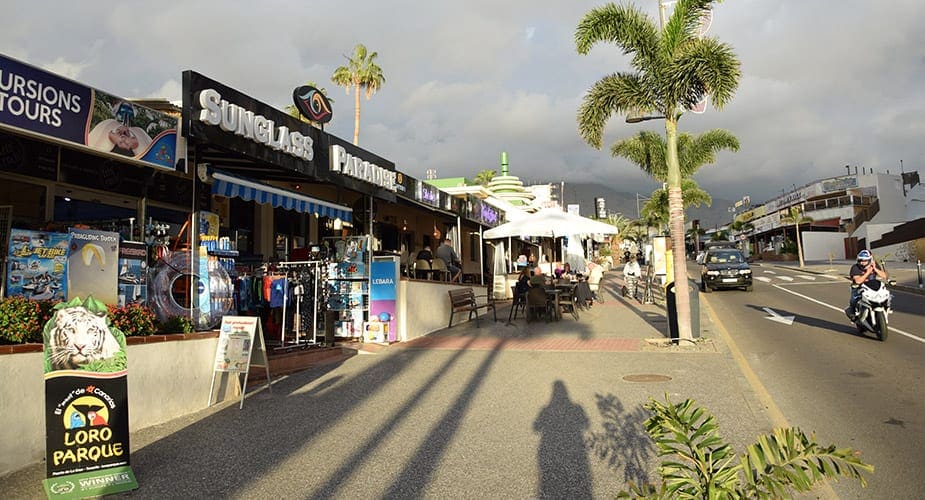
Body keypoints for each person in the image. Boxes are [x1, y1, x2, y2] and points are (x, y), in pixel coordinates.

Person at [846, 249, 887, 319]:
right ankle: (852, 312)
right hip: (859, 287)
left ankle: (886, 307)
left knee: (885, 294)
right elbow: (858, 281)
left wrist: (875, 269)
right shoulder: (855, 267)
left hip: (872, 286)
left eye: (865, 261)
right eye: (860, 260)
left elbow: (884, 276)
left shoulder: (874, 265)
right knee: (854, 299)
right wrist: (868, 272)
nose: (862, 263)